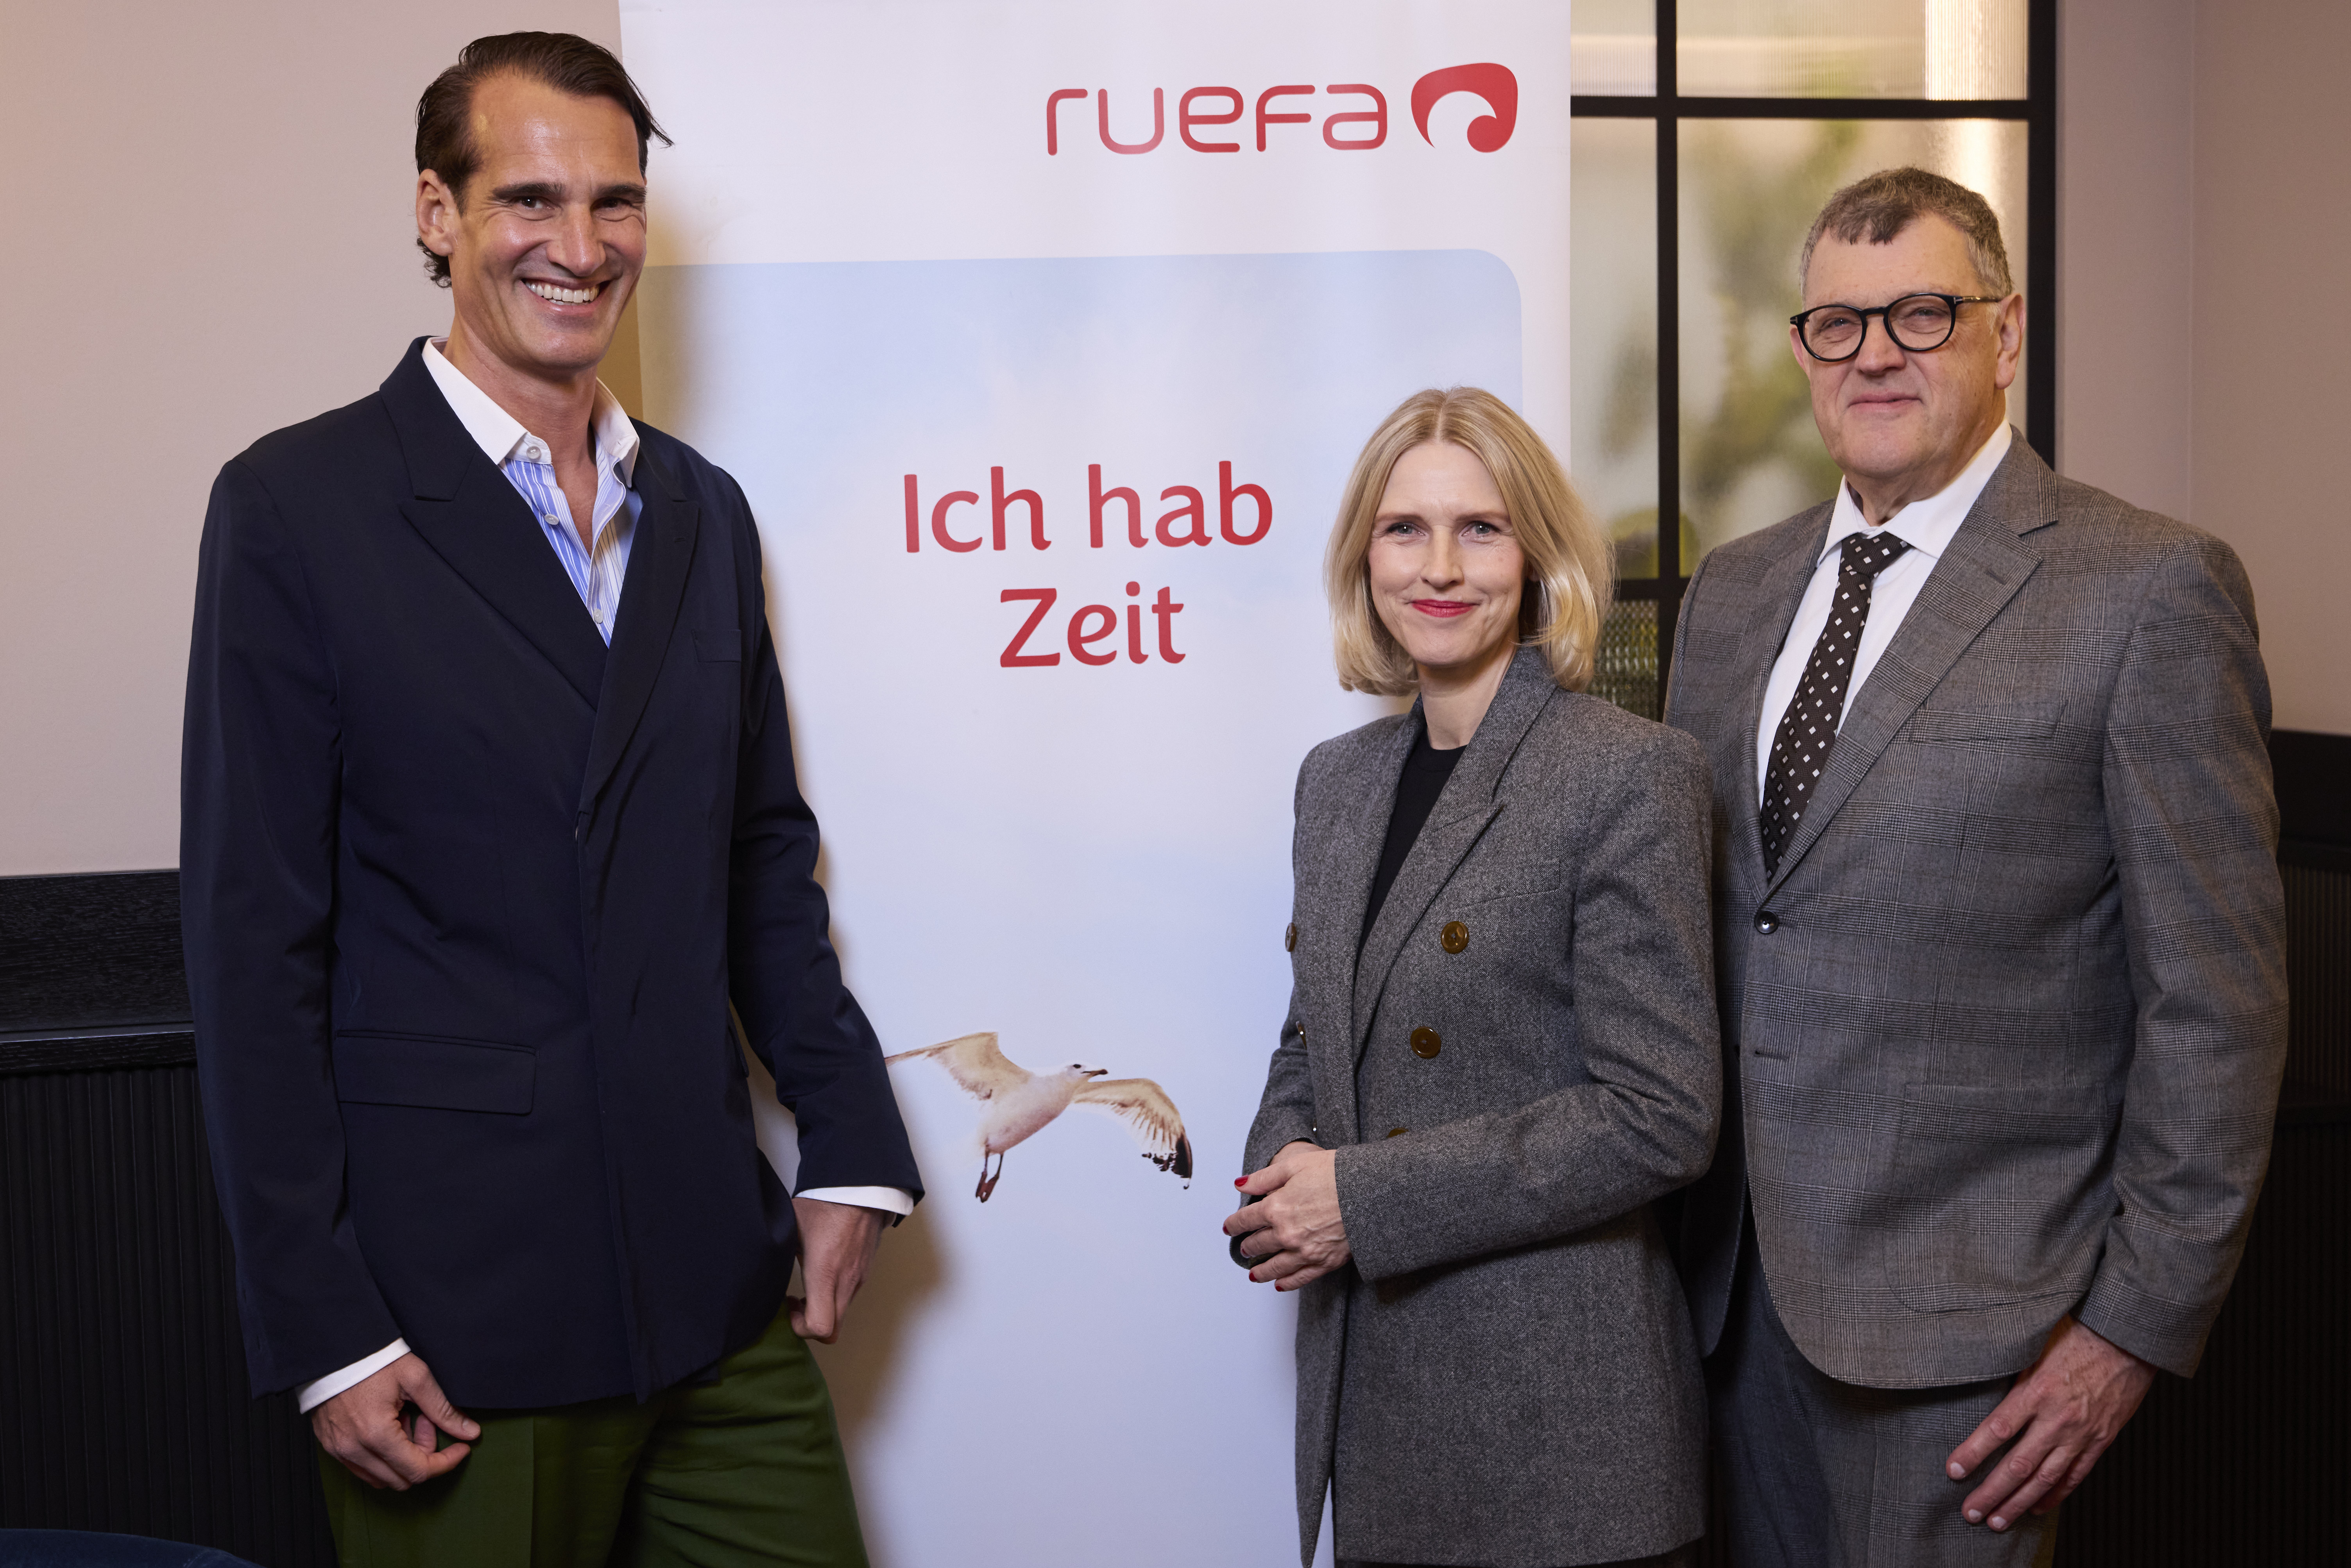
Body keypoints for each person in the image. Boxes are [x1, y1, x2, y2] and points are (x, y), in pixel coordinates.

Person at [180, 33, 920, 1566]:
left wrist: (851, 1134)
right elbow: (255, 950)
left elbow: (758, 856)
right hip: (449, 1330)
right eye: (529, 199)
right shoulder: (296, 508)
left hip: (713, 1287)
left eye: (614, 201)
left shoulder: (703, 511)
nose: (580, 246)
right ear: (436, 213)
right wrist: (324, 1325)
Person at [1664, 167, 2288, 1567]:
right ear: (1803, 352)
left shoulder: (2148, 590)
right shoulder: (1734, 591)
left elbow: (2218, 1007)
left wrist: (2129, 1329)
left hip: (1980, 1346)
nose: (1875, 353)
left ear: (2005, 335)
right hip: (1724, 1307)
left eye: (1923, 314)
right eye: (1839, 323)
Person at [1226, 388, 1722, 1568]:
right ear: (1365, 559)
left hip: (1561, 1430)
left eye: (1481, 529)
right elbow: (1314, 1033)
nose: (1440, 567)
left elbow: (1662, 1116)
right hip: (1378, 1402)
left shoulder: (1628, 774)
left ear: (1536, 556)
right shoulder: (1335, 781)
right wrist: (1279, 1184)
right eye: (1405, 529)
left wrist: (1360, 1200)